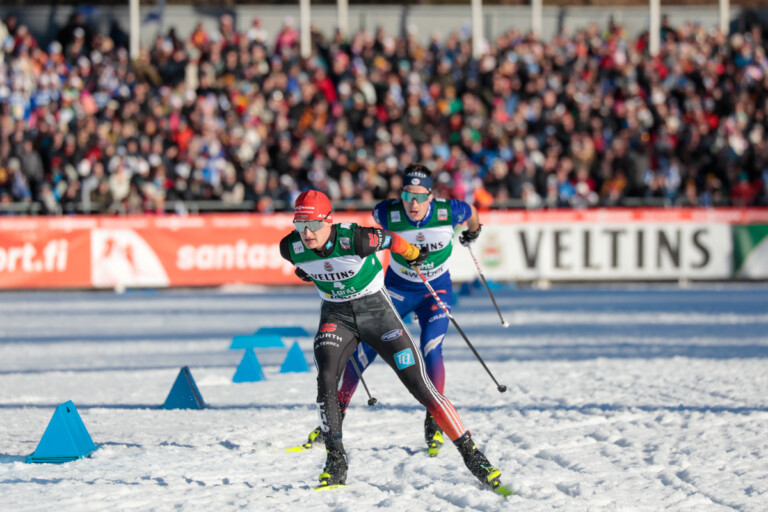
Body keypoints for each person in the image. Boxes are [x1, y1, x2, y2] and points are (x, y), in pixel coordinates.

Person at [279, 190, 509, 495]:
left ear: (328, 221)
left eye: (313, 224)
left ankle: (473, 457)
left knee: (420, 387)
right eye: (300, 225)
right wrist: (309, 272)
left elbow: (392, 239)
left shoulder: (356, 239)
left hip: (377, 313)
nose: (306, 233)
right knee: (326, 378)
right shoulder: (290, 247)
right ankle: (335, 462)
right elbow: (304, 265)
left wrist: (413, 254)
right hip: (337, 316)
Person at [296, 163, 482, 457]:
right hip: (397, 290)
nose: (413, 203)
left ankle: (434, 420)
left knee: (431, 347)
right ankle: (335, 417)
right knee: (365, 351)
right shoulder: (387, 212)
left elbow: (471, 213)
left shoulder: (449, 210)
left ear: (431, 197)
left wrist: (473, 232)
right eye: (407, 195)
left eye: (419, 197)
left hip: (435, 290)